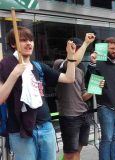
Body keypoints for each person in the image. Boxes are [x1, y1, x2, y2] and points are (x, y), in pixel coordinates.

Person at [0, 26, 76, 160]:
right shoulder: (4, 65)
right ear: (13, 44)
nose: (29, 43)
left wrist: (70, 57)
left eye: (30, 40)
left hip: (46, 126)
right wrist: (14, 74)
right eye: (23, 40)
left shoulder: (38, 66)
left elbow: (69, 78)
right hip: (20, 131)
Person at [53, 35, 99, 160]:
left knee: (78, 150)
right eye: (75, 49)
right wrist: (86, 43)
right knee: (69, 153)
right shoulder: (59, 65)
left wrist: (94, 89)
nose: (78, 52)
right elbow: (72, 61)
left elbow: (83, 96)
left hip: (84, 115)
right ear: (69, 49)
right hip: (69, 117)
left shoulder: (80, 71)